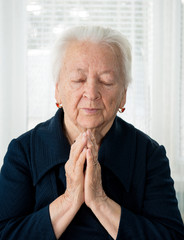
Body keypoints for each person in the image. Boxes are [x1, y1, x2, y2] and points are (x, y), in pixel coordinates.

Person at [0, 25, 184, 240]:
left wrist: (99, 200)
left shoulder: (148, 154)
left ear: (123, 95)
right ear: (57, 89)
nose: (91, 93)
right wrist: (69, 200)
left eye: (106, 81)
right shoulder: (23, 151)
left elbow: (172, 237)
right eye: (78, 80)